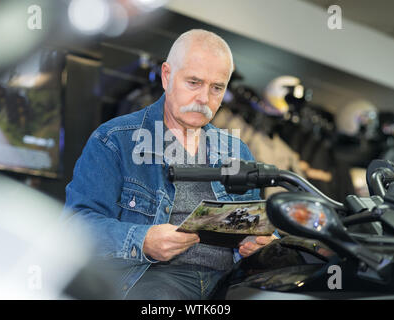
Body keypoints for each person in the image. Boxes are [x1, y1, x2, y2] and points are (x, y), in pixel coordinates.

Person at [63, 29, 276, 300]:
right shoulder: (116, 140)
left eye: (217, 88)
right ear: (167, 76)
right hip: (151, 278)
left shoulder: (237, 149)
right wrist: (144, 240)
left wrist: (261, 244)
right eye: (194, 82)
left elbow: (254, 224)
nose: (204, 98)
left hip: (228, 282)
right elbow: (75, 227)